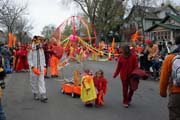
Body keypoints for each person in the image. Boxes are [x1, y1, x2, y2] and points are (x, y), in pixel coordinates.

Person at [160, 35, 180, 120]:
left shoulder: (170, 58)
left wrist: (163, 92)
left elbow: (164, 78)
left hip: (176, 93)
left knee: (175, 115)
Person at [27, 36, 48, 103]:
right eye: (39, 42)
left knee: (42, 81)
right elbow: (29, 59)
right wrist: (32, 67)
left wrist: (44, 66)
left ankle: (43, 95)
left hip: (41, 68)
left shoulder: (41, 50)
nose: (40, 44)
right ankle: (35, 93)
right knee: (34, 82)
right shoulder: (31, 50)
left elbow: (43, 58)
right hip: (34, 69)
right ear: (36, 43)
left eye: (41, 42)